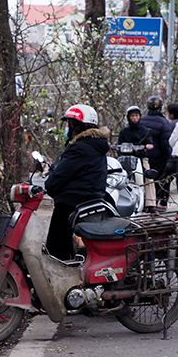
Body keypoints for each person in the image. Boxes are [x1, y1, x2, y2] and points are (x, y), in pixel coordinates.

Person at [44, 104, 110, 260]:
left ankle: (60, 275)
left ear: (77, 125)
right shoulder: (95, 145)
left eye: (70, 124)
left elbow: (56, 179)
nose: (68, 128)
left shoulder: (80, 148)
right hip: (91, 199)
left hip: (73, 202)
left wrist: (50, 187)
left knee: (55, 247)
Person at [139, 95, 172, 211]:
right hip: (158, 158)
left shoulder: (141, 121)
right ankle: (154, 204)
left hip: (143, 156)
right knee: (157, 181)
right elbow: (165, 143)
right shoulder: (164, 123)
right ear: (160, 107)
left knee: (144, 180)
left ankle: (143, 202)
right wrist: (167, 157)